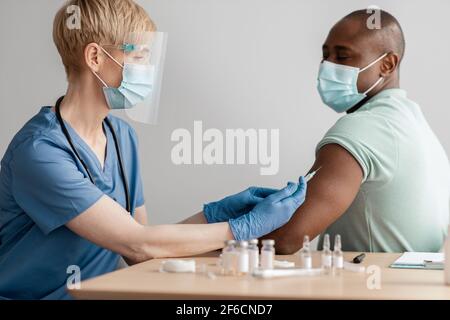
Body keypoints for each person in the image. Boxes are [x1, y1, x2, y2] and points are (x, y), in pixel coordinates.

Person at [0, 0, 307, 299]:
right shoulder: (40, 152)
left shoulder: (121, 136)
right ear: (95, 57)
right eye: (139, 56)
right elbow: (138, 244)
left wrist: (214, 214)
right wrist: (241, 228)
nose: (148, 69)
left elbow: (142, 250)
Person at [265, 9, 450, 253]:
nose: (327, 67)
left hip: (375, 289)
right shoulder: (417, 125)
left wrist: (216, 230)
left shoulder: (365, 127)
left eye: (342, 57)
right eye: (325, 56)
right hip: (419, 288)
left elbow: (285, 239)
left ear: (387, 64)